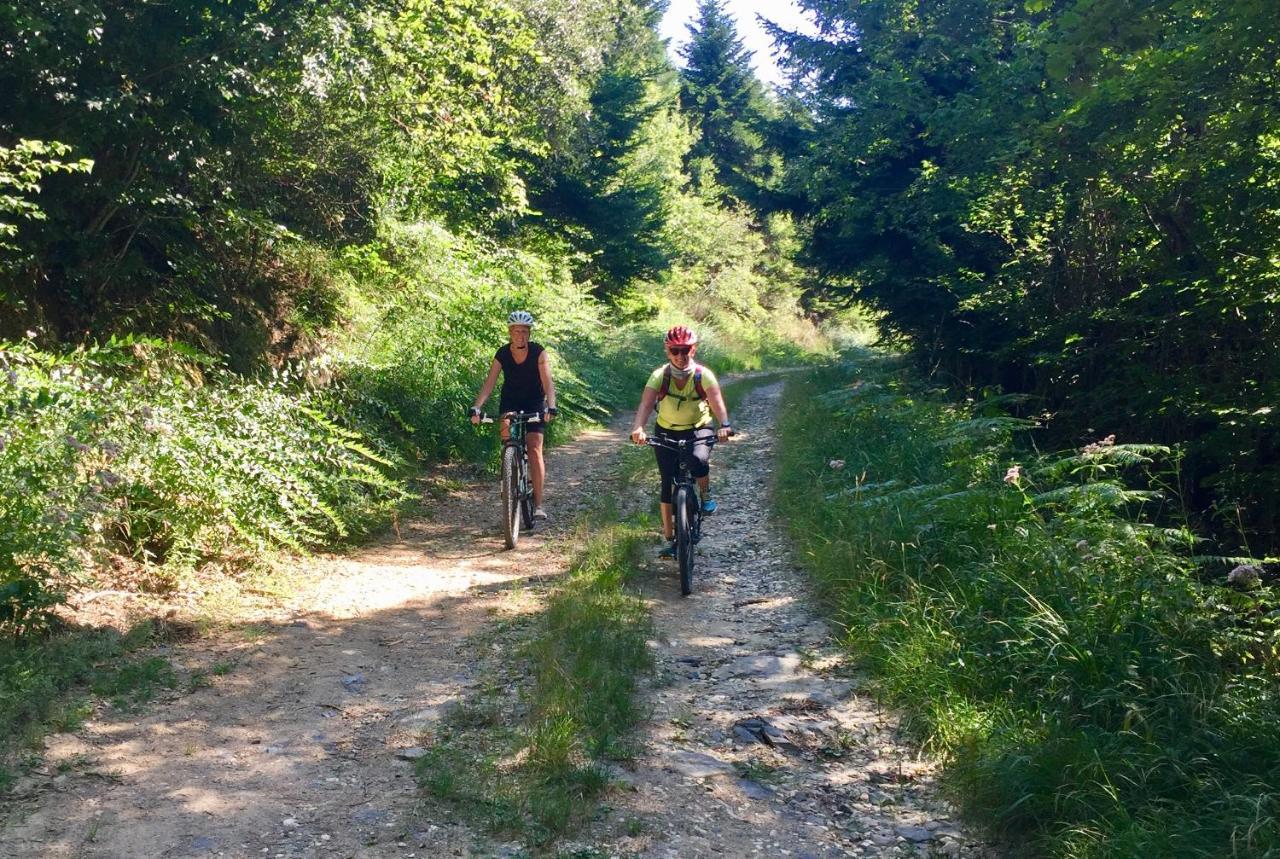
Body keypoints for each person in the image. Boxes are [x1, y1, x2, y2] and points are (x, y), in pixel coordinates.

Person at [629, 325, 733, 558]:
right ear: (668, 351)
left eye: (684, 349)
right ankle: (670, 538)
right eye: (674, 350)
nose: (680, 355)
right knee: (667, 480)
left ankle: (705, 493)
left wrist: (724, 424)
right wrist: (638, 428)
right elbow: (646, 404)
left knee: (697, 460)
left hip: (698, 429)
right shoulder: (660, 376)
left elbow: (716, 401)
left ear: (692, 349)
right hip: (666, 430)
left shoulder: (702, 375)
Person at [469, 310, 558, 520]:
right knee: (507, 437)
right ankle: (510, 476)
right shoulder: (502, 354)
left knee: (534, 446)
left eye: (525, 331)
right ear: (510, 332)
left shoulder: (538, 353)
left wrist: (551, 406)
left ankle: (537, 505)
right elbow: (489, 384)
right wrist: (477, 407)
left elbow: (548, 384)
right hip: (510, 400)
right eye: (517, 331)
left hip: (534, 401)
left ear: (529, 333)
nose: (521, 335)